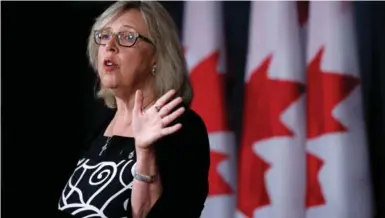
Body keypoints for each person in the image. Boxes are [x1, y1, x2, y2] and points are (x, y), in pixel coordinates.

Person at [57, 1, 210, 218]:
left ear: (156, 56)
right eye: (105, 36)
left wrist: (145, 153)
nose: (109, 46)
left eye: (127, 37)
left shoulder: (178, 127)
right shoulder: (99, 125)